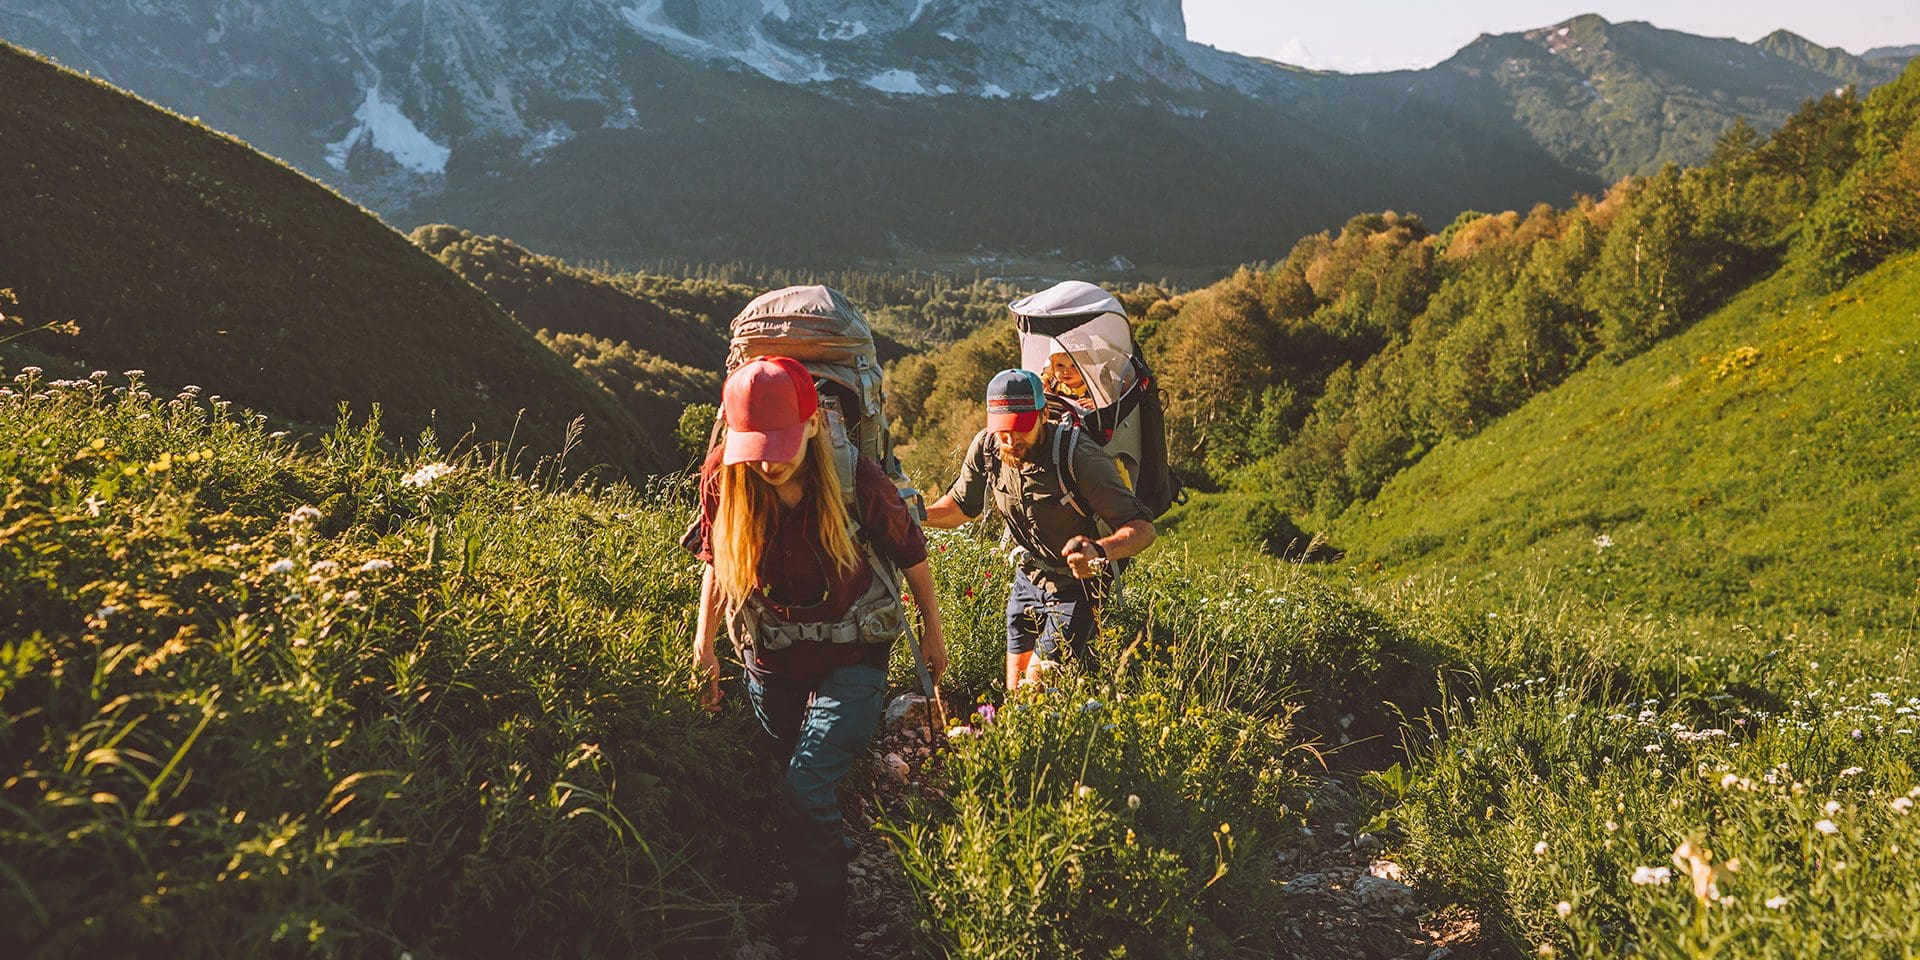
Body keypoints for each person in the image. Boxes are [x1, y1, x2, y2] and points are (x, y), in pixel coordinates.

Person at [689, 356, 946, 958]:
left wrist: (934, 634)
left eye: (779, 443)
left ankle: (827, 929)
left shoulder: (859, 478)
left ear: (812, 424)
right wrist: (705, 645)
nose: (769, 461)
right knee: (794, 781)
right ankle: (827, 852)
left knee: (804, 788)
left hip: (854, 653)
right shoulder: (725, 477)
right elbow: (716, 561)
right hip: (771, 654)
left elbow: (913, 558)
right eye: (755, 446)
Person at [923, 368, 1155, 689]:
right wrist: (912, 512)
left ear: (1043, 414)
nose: (1010, 440)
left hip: (1078, 585)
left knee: (1037, 684)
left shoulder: (1079, 457)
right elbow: (960, 507)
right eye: (1002, 430)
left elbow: (1142, 528)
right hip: (1028, 579)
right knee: (1016, 689)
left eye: (1020, 429)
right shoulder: (989, 447)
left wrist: (1101, 552)